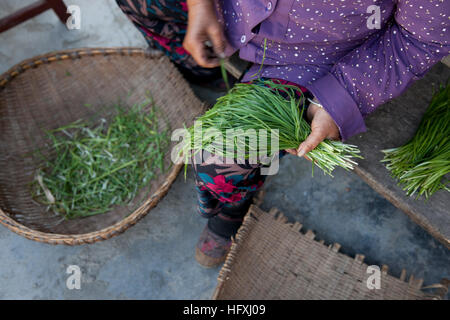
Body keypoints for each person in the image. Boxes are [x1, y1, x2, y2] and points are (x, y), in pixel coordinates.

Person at [116, 0, 449, 267]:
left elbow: (419, 39)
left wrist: (342, 97)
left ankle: (232, 209)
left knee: (221, 161)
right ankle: (206, 72)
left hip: (310, 54)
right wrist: (200, 5)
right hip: (231, 9)